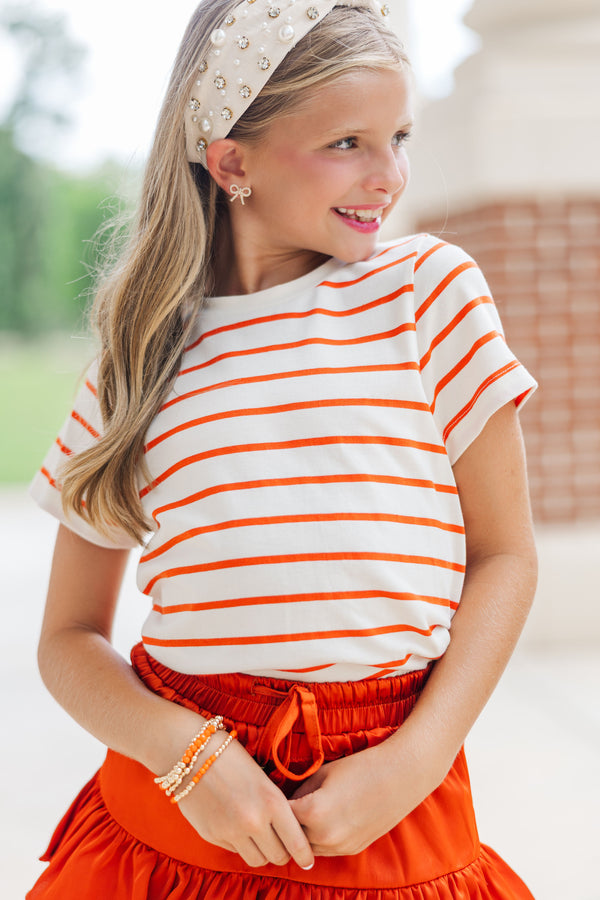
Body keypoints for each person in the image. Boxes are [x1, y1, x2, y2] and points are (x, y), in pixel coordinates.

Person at [27, 1, 539, 897]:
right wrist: (183, 755)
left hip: (389, 813)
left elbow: (507, 557)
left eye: (399, 137)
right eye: (347, 143)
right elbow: (68, 640)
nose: (389, 175)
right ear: (232, 162)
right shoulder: (139, 358)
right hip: (175, 823)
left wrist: (414, 762)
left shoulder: (428, 295)